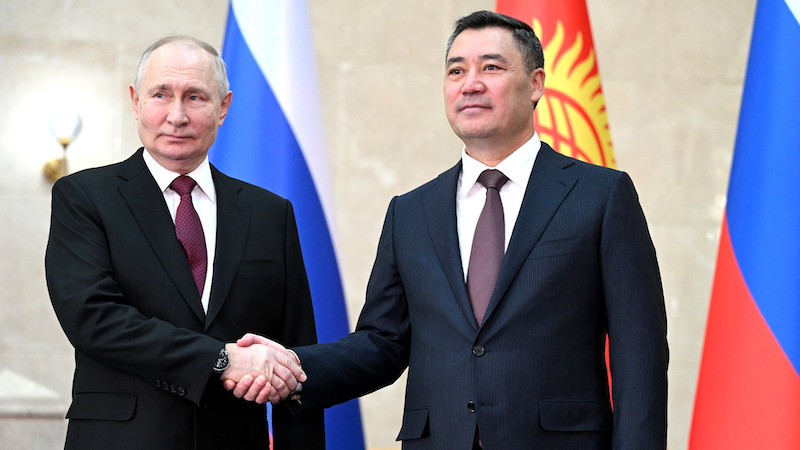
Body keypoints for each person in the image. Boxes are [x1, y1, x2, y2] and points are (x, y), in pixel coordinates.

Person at [238, 10, 668, 450]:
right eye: (456, 70)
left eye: (492, 67)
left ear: (536, 84)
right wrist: (292, 366)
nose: (471, 83)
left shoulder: (600, 195)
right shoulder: (410, 212)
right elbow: (382, 343)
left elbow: (641, 355)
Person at [45, 35, 324, 449]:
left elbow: (294, 358)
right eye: (161, 94)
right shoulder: (85, 197)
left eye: (195, 97)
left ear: (224, 107)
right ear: (136, 101)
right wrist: (220, 360)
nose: (177, 115)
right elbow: (94, 319)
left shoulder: (271, 214)